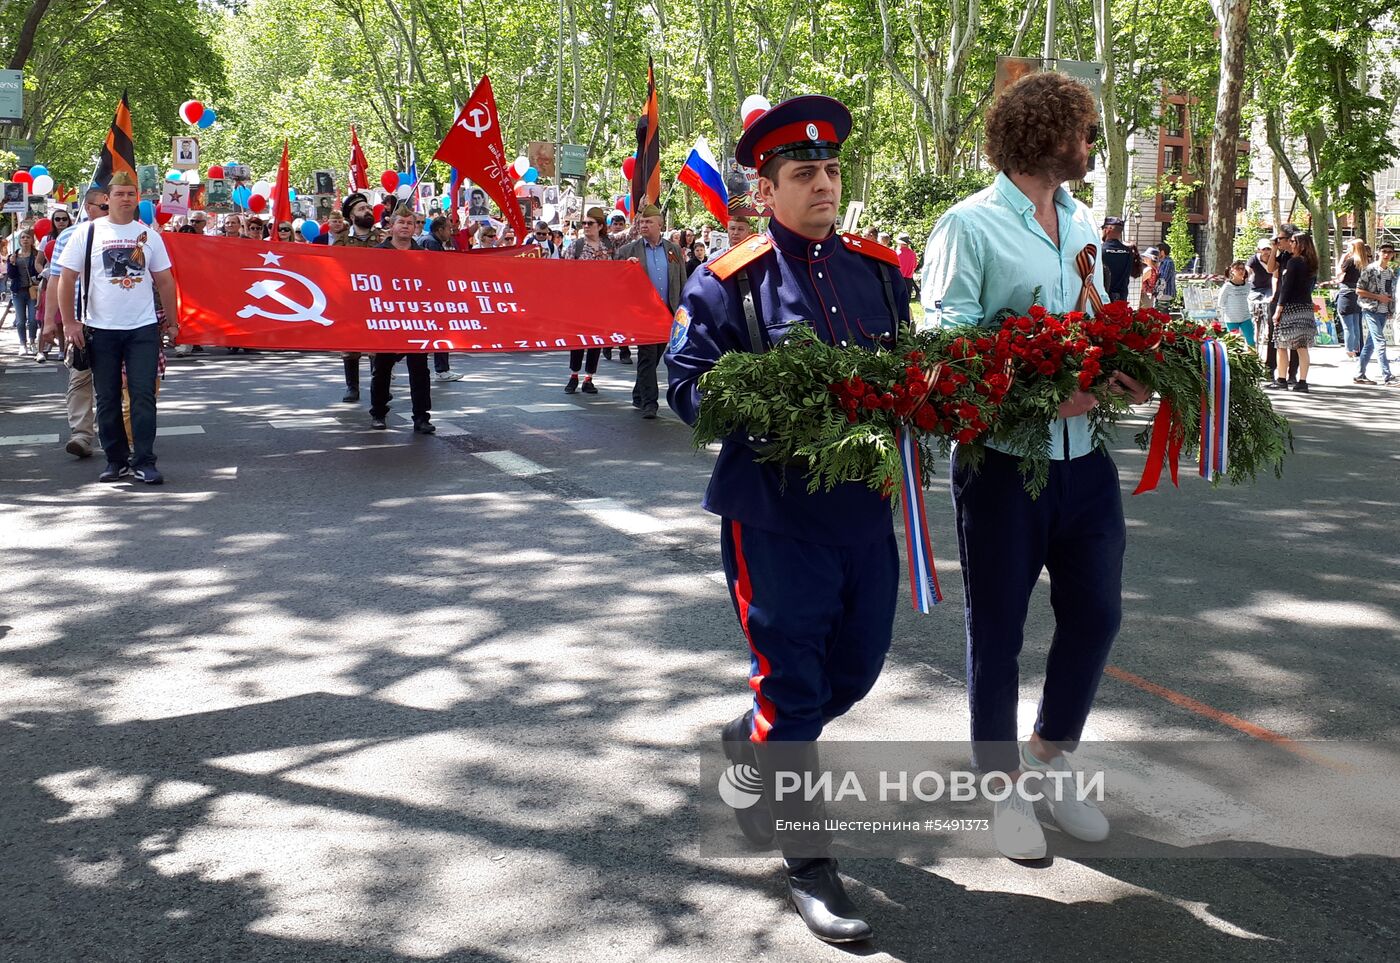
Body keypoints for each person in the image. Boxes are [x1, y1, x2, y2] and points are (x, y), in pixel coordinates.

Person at [667, 95, 910, 944]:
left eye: (832, 169)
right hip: (773, 516)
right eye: (803, 173)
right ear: (765, 189)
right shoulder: (728, 281)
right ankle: (808, 859)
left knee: (856, 668)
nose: (823, 184)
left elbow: (910, 373)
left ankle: (751, 736)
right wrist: (763, 401)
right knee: (797, 687)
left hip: (864, 511)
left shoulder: (881, 271)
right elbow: (686, 388)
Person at [922, 72, 1150, 862]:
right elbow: (945, 348)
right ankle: (999, 789)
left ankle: (1050, 757)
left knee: (1098, 614)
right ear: (1045, 134)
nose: (1092, 144)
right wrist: (1041, 400)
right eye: (1083, 130)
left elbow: (1094, 328)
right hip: (1002, 463)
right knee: (999, 633)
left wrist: (1131, 364)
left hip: (1085, 463)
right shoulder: (970, 226)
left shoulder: (1085, 222)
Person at [55, 172, 178, 485]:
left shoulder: (149, 235)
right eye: (119, 193)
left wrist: (173, 322)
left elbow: (164, 279)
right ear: (107, 199)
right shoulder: (88, 233)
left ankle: (145, 461)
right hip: (100, 329)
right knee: (107, 397)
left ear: (137, 198)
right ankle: (116, 460)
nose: (125, 198)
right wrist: (69, 322)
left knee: (143, 396)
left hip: (143, 330)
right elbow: (66, 279)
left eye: (130, 193)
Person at [39, 188, 107, 458]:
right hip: (80, 322)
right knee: (80, 377)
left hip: (117, 322)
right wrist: (49, 323)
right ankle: (81, 435)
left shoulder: (128, 234)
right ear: (89, 208)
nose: (108, 209)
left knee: (115, 382)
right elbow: (55, 281)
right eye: (102, 206)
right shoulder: (69, 236)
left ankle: (117, 433)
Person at [369, 206, 435, 433]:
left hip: (416, 318)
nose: (406, 226)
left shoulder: (424, 255)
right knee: (383, 367)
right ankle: (378, 412)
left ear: (415, 227)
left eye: (410, 222)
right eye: (402, 222)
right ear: (392, 225)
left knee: (419, 369)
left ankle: (421, 417)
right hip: (387, 317)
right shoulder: (377, 253)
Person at [614, 204, 683, 419]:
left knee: (654, 357)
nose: (644, 225)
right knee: (647, 355)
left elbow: (681, 279)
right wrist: (626, 268)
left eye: (648, 222)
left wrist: (683, 308)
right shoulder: (629, 251)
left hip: (667, 311)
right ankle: (649, 402)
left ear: (660, 225)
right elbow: (617, 281)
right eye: (642, 222)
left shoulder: (673, 249)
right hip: (643, 313)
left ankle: (638, 393)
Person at [561, 206, 613, 393]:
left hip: (601, 302)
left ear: (600, 225)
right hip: (579, 301)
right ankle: (573, 375)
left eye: (590, 223)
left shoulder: (609, 245)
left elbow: (632, 233)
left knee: (596, 340)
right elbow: (563, 271)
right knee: (578, 339)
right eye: (583, 223)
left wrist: (640, 209)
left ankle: (589, 378)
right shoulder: (576, 246)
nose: (585, 226)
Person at [1267, 232, 1319, 392]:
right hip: (1305, 306)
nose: (1290, 243)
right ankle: (1302, 381)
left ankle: (1281, 379)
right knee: (1302, 346)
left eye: (1293, 241)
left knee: (1281, 344)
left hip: (1291, 307)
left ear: (1301, 245)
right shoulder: (1310, 263)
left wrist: (1279, 309)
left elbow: (1286, 287)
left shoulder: (1294, 262)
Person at [419, 215, 465, 383]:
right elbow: (435, 270)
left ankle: (391, 361)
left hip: (429, 294)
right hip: (433, 295)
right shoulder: (432, 244)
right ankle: (442, 370)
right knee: (440, 331)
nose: (450, 232)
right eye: (448, 228)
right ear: (440, 230)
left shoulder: (428, 241)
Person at [1354, 242, 1395, 386]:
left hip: (1383, 312)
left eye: (1389, 252)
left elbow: (1389, 292)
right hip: (1370, 309)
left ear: (1393, 254)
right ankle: (1387, 376)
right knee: (1380, 342)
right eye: (1384, 251)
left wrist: (1390, 308)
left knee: (1370, 344)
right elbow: (1358, 290)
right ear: (1378, 252)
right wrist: (1378, 298)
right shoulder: (1370, 269)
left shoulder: (1389, 272)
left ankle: (1359, 374)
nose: (1386, 254)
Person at [6, 227, 46, 357]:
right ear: (19, 240)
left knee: (33, 319)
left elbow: (41, 271)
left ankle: (33, 342)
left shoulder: (36, 255)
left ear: (32, 240)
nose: (25, 239)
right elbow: (11, 276)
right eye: (23, 237)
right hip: (18, 291)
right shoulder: (13, 256)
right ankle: (22, 344)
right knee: (20, 320)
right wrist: (11, 264)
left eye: (28, 237)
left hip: (33, 291)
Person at [1333, 238, 1365, 357]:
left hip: (1346, 293)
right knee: (1355, 323)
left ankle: (1349, 349)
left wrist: (1342, 258)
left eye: (1350, 247)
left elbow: (1338, 272)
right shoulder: (1364, 263)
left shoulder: (1351, 261)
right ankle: (1356, 348)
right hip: (1357, 293)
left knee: (1347, 325)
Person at [1245, 238, 1276, 360]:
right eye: (1264, 249)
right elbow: (1248, 269)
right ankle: (1255, 334)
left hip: (1269, 288)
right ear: (1259, 250)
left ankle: (1268, 327)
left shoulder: (1274, 259)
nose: (1267, 251)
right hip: (1255, 288)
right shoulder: (1253, 259)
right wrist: (1245, 278)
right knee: (1252, 307)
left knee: (1270, 304)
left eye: (1269, 248)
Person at [1099, 216, 1139, 303]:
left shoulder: (1100, 250)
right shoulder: (1128, 251)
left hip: (1102, 298)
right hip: (1122, 299)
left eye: (1103, 228)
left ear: (1108, 229)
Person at [1217, 260, 1254, 346]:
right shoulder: (1227, 286)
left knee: (1251, 341)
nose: (1241, 271)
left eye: (1242, 269)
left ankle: (1253, 357)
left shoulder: (1248, 286)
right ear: (1232, 271)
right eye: (1238, 269)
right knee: (1234, 343)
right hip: (1232, 319)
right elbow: (1221, 303)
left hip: (1246, 317)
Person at [895, 232, 919, 300]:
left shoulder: (897, 254)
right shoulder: (913, 254)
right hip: (909, 280)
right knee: (907, 300)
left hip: (898, 278)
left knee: (898, 300)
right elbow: (914, 266)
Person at [1154, 240, 1177, 311]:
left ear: (1162, 252)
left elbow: (1163, 279)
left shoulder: (1168, 262)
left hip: (1165, 292)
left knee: (1162, 313)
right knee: (1160, 313)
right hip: (1162, 292)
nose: (1156, 254)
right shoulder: (1163, 262)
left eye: (1157, 252)